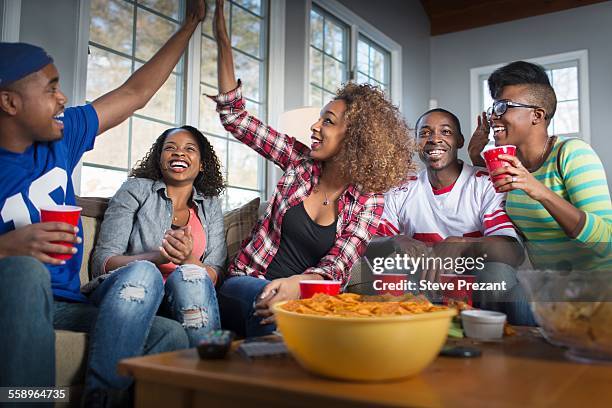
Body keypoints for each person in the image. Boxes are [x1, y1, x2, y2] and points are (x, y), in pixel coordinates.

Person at [0, 1, 206, 405]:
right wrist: (7, 247)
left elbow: (135, 92)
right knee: (24, 274)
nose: (62, 99)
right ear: (9, 103)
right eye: (50, 88)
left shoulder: (64, 134)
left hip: (63, 304)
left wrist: (190, 25)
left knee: (171, 335)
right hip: (12, 297)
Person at [209, 0, 415, 338]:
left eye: (328, 121)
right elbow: (236, 118)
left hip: (302, 295)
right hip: (247, 282)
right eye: (319, 119)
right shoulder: (298, 161)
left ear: (355, 137)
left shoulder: (369, 202)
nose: (315, 127)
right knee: (273, 306)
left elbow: (338, 265)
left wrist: (297, 285)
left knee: (332, 319)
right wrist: (222, 42)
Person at [377, 108, 534, 325]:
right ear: (416, 143)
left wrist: (461, 244)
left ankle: (488, 340)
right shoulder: (401, 189)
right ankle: (402, 336)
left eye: (446, 132)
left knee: (497, 273)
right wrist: (396, 239)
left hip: (474, 281)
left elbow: (512, 252)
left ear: (459, 140)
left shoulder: (486, 183)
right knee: (389, 266)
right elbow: (368, 243)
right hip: (423, 281)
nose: (434, 139)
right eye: (424, 133)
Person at [88, 125, 226, 347]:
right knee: (144, 272)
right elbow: (102, 263)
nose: (179, 153)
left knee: (191, 276)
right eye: (170, 148)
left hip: (183, 297)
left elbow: (216, 272)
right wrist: (156, 257)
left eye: (189, 149)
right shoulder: (136, 189)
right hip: (133, 291)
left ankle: (205, 374)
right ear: (160, 159)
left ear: (201, 164)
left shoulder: (210, 205)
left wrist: (188, 260)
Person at [468, 61, 611, 272]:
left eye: (503, 106)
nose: (493, 117)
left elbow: (606, 240)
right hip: (550, 291)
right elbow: (495, 195)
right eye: (493, 108)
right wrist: (474, 155)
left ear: (537, 115)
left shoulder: (573, 153)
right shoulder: (512, 164)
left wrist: (539, 190)